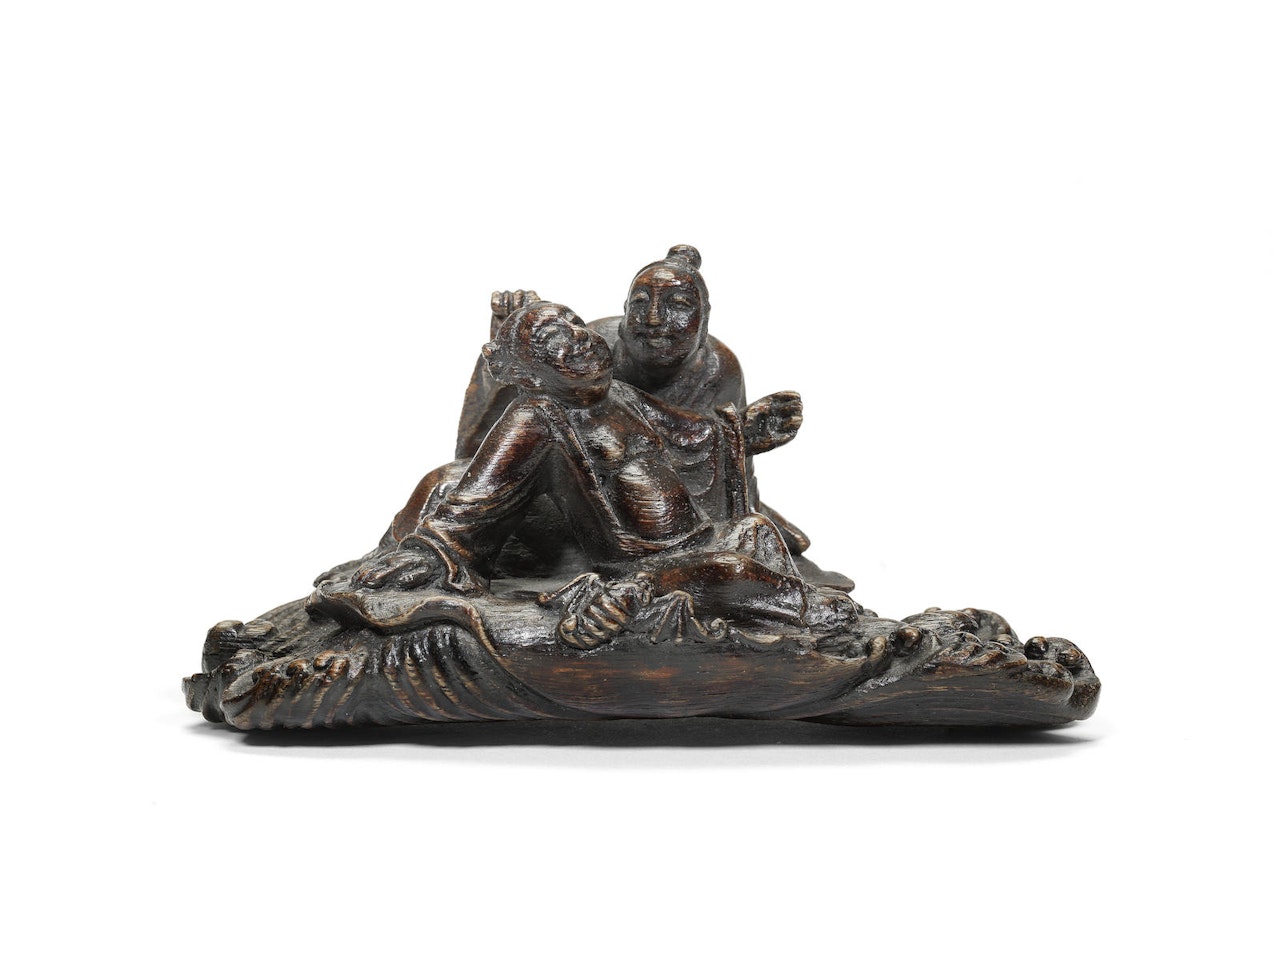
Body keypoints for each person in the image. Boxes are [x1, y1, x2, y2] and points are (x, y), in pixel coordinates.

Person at [355, 302, 853, 634]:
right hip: (644, 564)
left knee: (756, 534)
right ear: (530, 373)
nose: (579, 337)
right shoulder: (538, 417)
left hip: (702, 540)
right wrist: (432, 550)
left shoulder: (619, 395)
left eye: (575, 323)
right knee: (727, 573)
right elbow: (480, 496)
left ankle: (779, 607)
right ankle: (802, 610)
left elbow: (693, 434)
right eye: (554, 337)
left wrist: (745, 431)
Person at [454, 246, 810, 550]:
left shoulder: (717, 369)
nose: (653, 319)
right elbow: (485, 450)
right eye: (640, 303)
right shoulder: (589, 354)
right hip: (583, 497)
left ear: (704, 319)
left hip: (662, 502)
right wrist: (508, 348)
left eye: (678, 304)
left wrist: (738, 438)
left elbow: (725, 462)